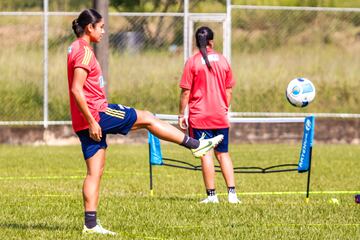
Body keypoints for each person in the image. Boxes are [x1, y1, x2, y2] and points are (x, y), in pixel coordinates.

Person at [67, 9, 224, 235]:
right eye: (101, 27)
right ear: (89, 28)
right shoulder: (84, 52)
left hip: (83, 119)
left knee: (95, 171)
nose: (104, 31)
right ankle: (196, 145)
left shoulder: (74, 47)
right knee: (148, 118)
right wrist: (93, 121)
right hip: (96, 114)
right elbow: (76, 89)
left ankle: (90, 225)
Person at [178, 26, 241, 204]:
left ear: (197, 42)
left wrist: (180, 114)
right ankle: (232, 195)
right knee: (223, 154)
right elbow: (229, 90)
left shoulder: (192, 62)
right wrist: (223, 108)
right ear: (211, 42)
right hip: (220, 116)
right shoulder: (223, 60)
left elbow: (185, 92)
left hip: (200, 118)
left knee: (206, 154)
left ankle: (212, 196)